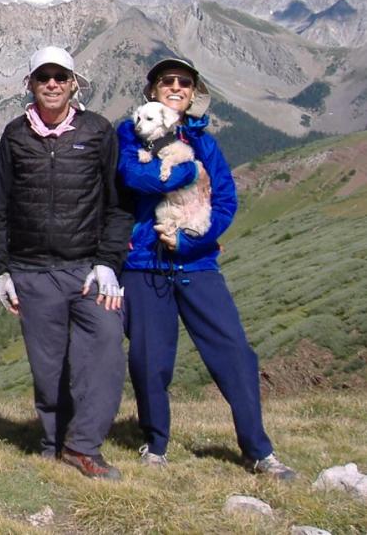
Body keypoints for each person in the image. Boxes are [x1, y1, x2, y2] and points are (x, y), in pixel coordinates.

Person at [117, 57, 297, 479]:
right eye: (167, 81)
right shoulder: (130, 132)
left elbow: (227, 201)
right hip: (144, 263)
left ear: (194, 92)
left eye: (185, 82)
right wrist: (186, 171)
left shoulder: (206, 142)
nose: (176, 87)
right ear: (152, 91)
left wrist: (190, 239)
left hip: (197, 262)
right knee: (149, 361)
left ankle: (257, 449)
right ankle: (156, 444)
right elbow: (136, 179)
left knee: (234, 352)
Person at [0, 46, 131, 480]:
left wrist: (108, 262)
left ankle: (84, 445)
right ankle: (54, 446)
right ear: (30, 83)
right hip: (31, 270)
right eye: (43, 76)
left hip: (88, 270)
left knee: (106, 351)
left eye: (60, 76)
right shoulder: (15, 135)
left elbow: (117, 204)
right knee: (48, 371)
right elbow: (1, 208)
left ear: (73, 83)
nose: (52, 83)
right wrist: (1, 270)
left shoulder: (99, 131)